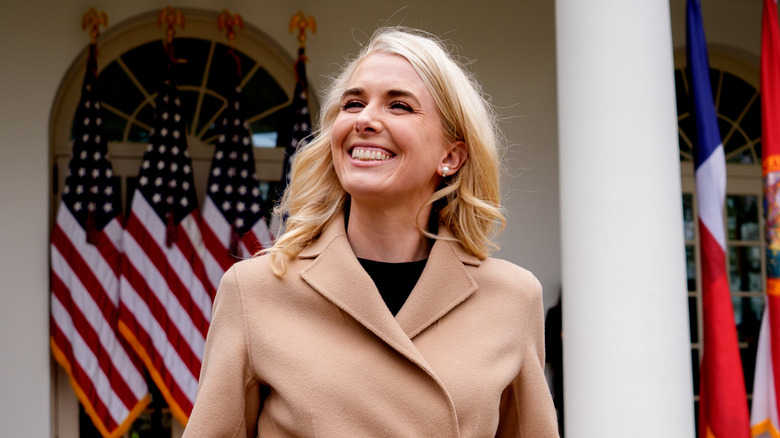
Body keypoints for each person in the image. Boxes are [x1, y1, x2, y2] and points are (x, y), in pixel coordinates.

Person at [183, 27, 558, 437]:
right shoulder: (255, 290)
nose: (365, 119)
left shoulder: (513, 298)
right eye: (353, 103)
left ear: (451, 156)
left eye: (398, 105)